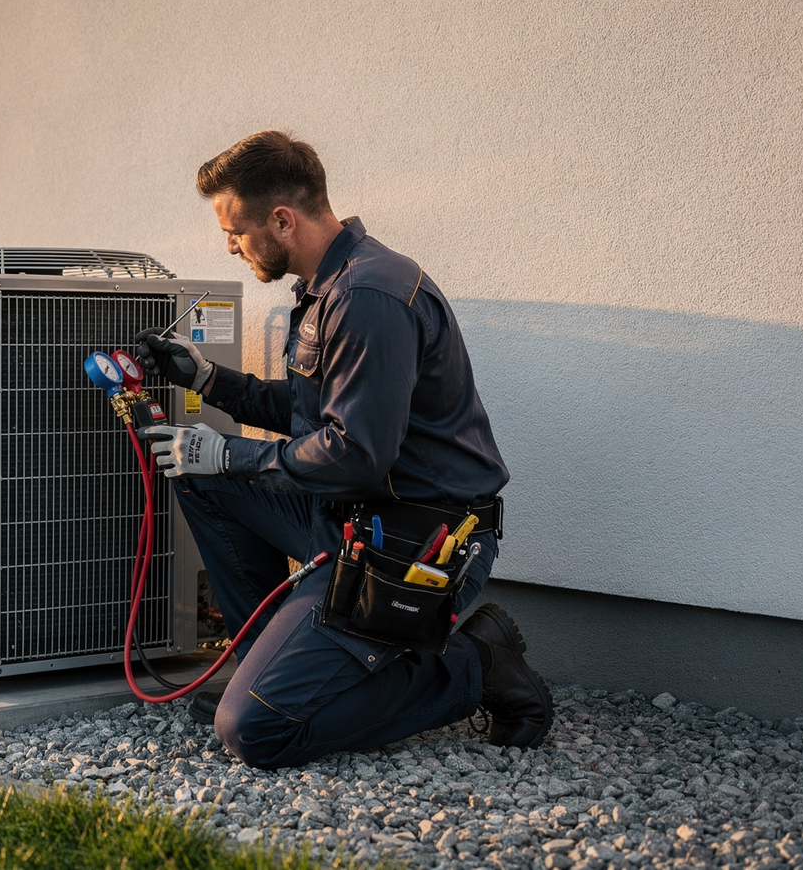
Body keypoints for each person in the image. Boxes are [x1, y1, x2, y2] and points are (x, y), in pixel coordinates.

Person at [135, 130, 553, 770]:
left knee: (254, 731)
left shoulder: (367, 297)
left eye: (235, 229)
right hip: (345, 513)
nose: (228, 245)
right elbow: (312, 416)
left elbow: (355, 453)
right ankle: (272, 658)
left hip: (412, 540)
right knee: (194, 472)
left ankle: (477, 665)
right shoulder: (328, 288)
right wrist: (206, 379)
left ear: (282, 219)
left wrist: (227, 453)